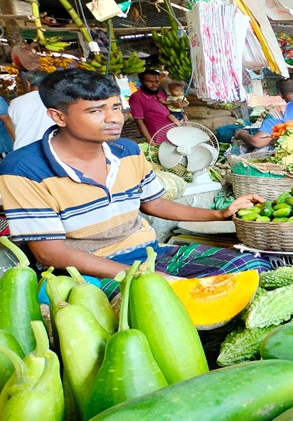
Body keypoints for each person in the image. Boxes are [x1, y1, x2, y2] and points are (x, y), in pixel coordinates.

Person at [0, 69, 273, 297]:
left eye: (116, 107)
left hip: (149, 253)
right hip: (87, 273)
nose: (114, 118)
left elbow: (153, 203)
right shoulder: (24, 169)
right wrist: (144, 277)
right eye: (96, 110)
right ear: (58, 116)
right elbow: (50, 253)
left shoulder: (127, 151)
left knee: (251, 267)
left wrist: (218, 214)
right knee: (158, 303)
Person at [129, 69, 181, 144]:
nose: (154, 85)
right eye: (150, 82)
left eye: (156, 81)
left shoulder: (161, 94)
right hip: (159, 139)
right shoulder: (136, 97)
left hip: (175, 134)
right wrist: (151, 141)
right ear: (141, 81)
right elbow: (139, 122)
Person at [8, 70, 54, 150]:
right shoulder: (55, 100)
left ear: (28, 83)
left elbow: (12, 126)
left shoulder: (15, 102)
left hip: (23, 150)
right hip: (51, 148)